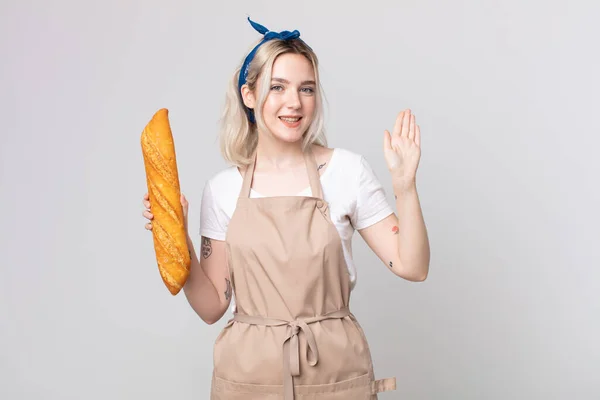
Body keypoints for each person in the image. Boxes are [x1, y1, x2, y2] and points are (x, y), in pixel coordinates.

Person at [142, 17, 430, 400]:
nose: (293, 103)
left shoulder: (347, 172)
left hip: (335, 378)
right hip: (247, 381)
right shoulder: (223, 190)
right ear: (249, 95)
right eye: (277, 87)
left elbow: (413, 266)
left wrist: (405, 187)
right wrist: (176, 236)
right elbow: (212, 306)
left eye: (306, 89)